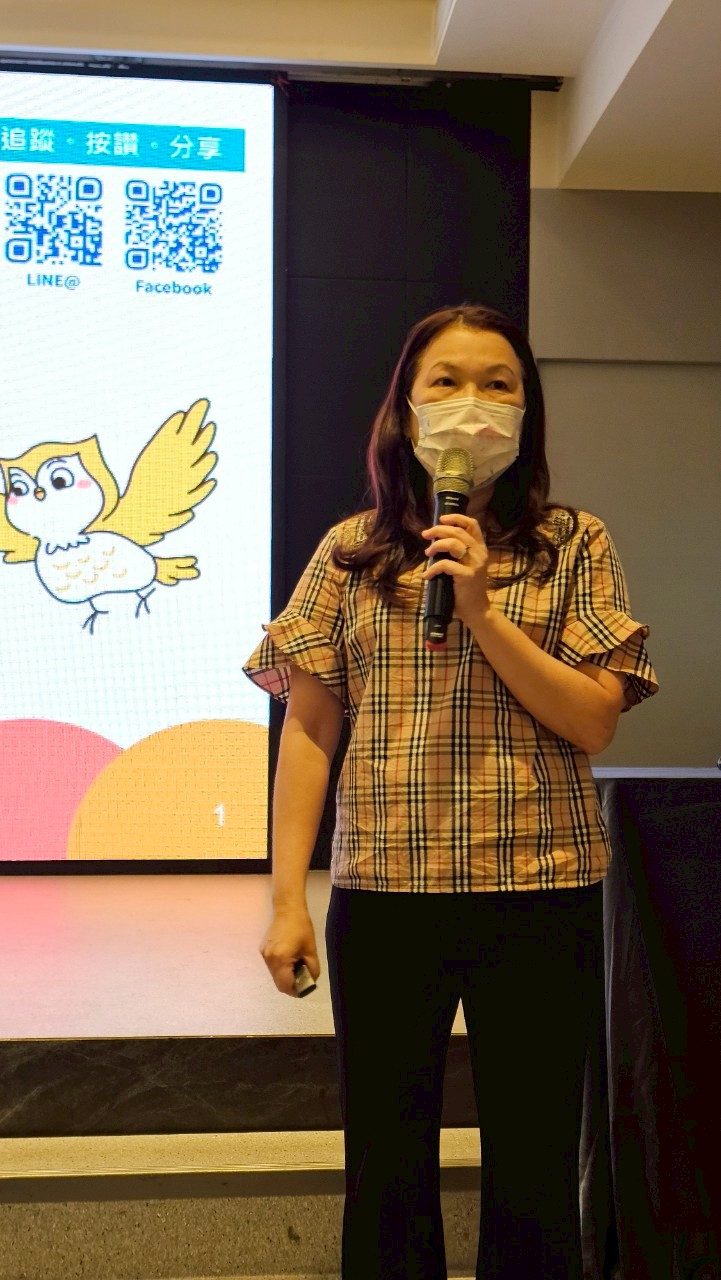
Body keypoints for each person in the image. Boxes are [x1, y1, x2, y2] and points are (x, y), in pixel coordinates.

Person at [243, 303, 659, 1280]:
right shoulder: (349, 552)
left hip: (540, 889)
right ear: (404, 408)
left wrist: (479, 608)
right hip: (386, 893)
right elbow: (308, 730)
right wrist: (284, 899)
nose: (472, 404)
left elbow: (593, 720)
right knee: (384, 1169)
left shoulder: (572, 544)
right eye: (446, 381)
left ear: (526, 411)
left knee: (533, 1165)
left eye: (497, 384)